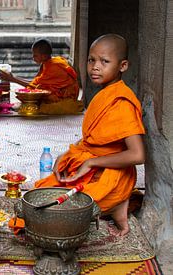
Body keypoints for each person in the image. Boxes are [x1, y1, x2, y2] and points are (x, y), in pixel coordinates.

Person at [34, 34, 146, 236]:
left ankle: (116, 203)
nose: (95, 67)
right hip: (93, 164)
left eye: (105, 61)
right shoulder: (102, 94)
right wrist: (67, 154)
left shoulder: (122, 102)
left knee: (63, 211)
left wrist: (92, 163)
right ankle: (115, 207)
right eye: (91, 60)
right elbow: (93, 138)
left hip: (112, 172)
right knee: (43, 193)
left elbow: (138, 155)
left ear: (123, 66)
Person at [0, 38, 83, 114]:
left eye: (35, 55)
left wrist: (13, 79)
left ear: (43, 56)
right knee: (35, 89)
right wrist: (13, 78)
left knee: (39, 92)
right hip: (60, 92)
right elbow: (34, 83)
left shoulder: (54, 66)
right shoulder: (46, 63)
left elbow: (36, 87)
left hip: (67, 96)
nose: (33, 57)